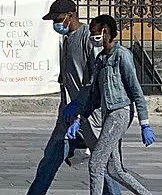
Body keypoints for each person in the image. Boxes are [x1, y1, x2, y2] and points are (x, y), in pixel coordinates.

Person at [66, 15, 157, 195]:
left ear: (105, 31)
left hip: (120, 113)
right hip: (108, 114)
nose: (92, 37)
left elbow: (135, 91)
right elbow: (92, 95)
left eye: (94, 33)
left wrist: (145, 124)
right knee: (115, 169)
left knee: (96, 163)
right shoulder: (100, 59)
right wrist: (78, 117)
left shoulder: (122, 55)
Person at [23, 0, 91, 195]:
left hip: (88, 116)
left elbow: (93, 79)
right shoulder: (67, 40)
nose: (56, 24)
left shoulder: (87, 38)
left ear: (70, 16)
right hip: (67, 115)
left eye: (58, 19)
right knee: (49, 160)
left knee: (103, 167)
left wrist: (80, 112)